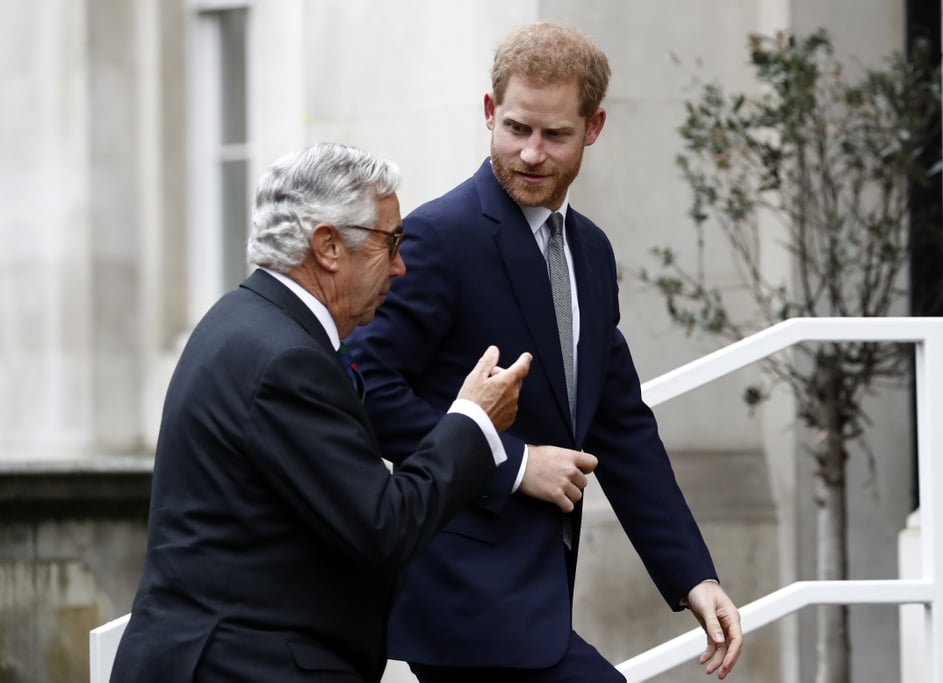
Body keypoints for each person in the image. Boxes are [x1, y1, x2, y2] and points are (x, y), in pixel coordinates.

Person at [347, 22, 743, 682]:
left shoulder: (592, 252)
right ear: (488, 113)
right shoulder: (439, 238)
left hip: (533, 598)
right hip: (462, 599)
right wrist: (513, 463)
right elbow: (362, 388)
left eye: (554, 135)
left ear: (593, 128)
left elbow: (621, 426)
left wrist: (693, 575)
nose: (530, 153)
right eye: (516, 128)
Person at [109, 142, 533, 683]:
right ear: (328, 246)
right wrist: (473, 421)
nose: (401, 267)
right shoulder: (285, 357)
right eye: (391, 242)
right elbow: (384, 525)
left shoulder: (245, 319)